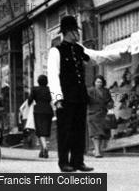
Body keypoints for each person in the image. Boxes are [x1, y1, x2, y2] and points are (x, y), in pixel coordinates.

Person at [47, 14, 126, 173]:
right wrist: (57, 98)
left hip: (80, 97)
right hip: (65, 98)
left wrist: (121, 52)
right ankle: (64, 163)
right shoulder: (56, 51)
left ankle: (78, 161)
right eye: (76, 31)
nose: (78, 34)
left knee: (78, 130)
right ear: (69, 32)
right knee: (65, 131)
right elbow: (53, 75)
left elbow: (98, 57)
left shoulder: (79, 49)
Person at [87, 75, 113, 158]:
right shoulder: (90, 91)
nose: (99, 83)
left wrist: (110, 105)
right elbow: (86, 101)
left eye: (100, 82)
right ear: (94, 82)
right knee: (95, 134)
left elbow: (110, 101)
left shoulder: (106, 91)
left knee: (102, 133)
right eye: (97, 82)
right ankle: (97, 152)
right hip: (93, 113)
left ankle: (98, 150)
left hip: (103, 114)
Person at [28, 74, 53, 158]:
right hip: (48, 110)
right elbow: (53, 97)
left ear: (38, 81)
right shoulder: (49, 89)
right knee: (45, 130)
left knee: (40, 130)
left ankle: (45, 148)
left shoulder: (35, 89)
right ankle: (42, 150)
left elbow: (30, 100)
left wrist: (28, 106)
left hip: (38, 111)